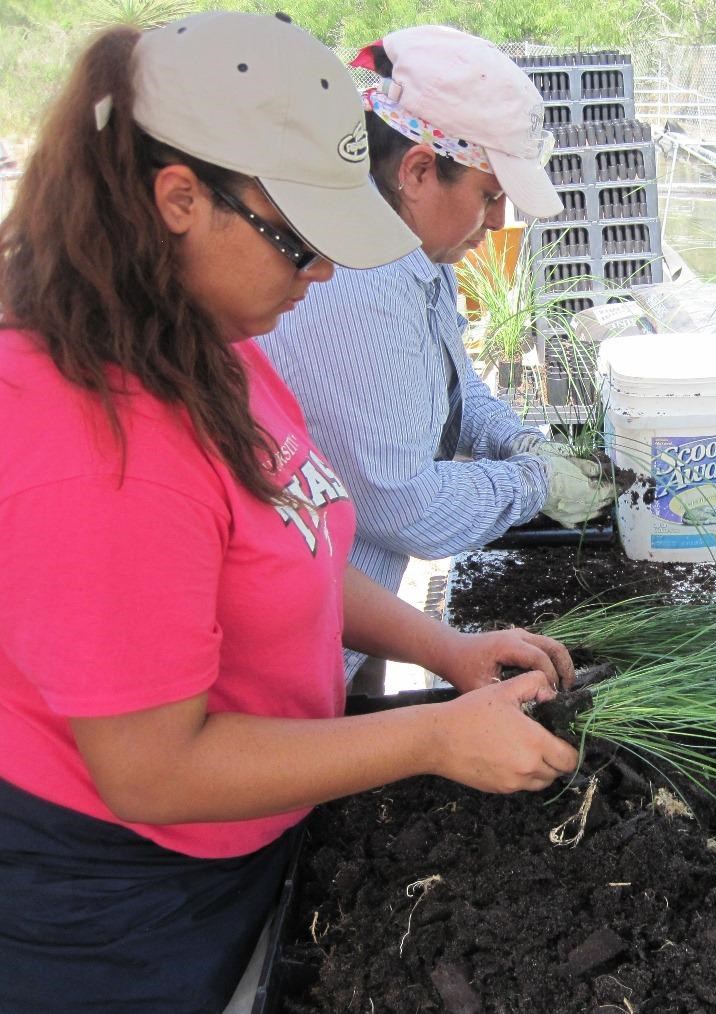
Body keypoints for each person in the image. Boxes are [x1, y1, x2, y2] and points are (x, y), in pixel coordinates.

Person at [0, 14, 579, 1011]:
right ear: (178, 198)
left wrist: (445, 650)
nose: (316, 280)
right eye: (296, 243)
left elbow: (297, 544)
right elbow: (153, 770)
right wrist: (434, 737)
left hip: (246, 820)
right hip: (124, 897)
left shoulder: (202, 334)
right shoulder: (90, 442)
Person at [257, 25, 616, 681]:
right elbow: (406, 508)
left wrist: (522, 444)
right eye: (488, 195)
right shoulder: (359, 286)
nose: (499, 222)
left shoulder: (417, 248)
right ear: (419, 170)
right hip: (303, 639)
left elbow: (455, 390)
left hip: (359, 608)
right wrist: (536, 485)